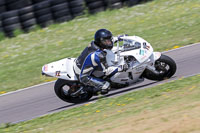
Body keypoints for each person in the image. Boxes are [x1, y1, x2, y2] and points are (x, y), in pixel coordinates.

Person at [74, 29, 128, 95]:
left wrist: (121, 37)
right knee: (106, 86)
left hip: (86, 64)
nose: (110, 42)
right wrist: (121, 68)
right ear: (101, 42)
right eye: (107, 41)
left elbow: (109, 40)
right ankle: (89, 90)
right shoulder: (98, 55)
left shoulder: (98, 44)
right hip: (84, 75)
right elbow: (107, 71)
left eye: (109, 40)